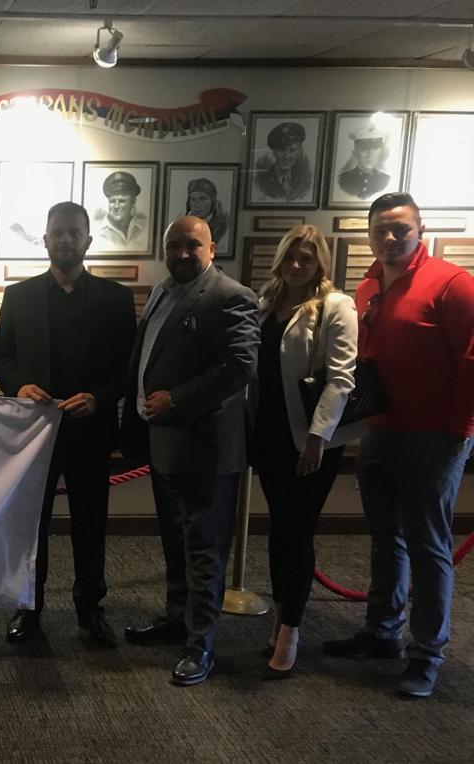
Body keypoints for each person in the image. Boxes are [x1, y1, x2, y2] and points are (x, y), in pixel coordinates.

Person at [323, 193, 474, 698]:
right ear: (368, 234)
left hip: (435, 436)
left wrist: (461, 430)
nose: (390, 238)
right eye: (381, 230)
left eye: (400, 229)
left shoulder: (453, 284)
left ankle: (427, 654)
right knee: (386, 538)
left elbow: (472, 359)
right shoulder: (367, 286)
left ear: (420, 230)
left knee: (429, 546)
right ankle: (382, 632)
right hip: (379, 431)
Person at [120, 215, 259, 687]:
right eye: (174, 245)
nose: (181, 253)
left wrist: (178, 399)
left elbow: (240, 365)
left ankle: (201, 646)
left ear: (211, 248)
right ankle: (177, 619)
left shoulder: (230, 296)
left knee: (204, 551)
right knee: (176, 545)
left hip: (206, 451)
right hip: (165, 445)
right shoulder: (163, 291)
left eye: (192, 245)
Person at [0, 201, 136, 646]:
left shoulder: (116, 299)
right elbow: (2, 357)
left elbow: (127, 367)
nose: (66, 240)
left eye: (75, 233)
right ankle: (28, 609)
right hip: (34, 432)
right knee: (30, 524)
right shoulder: (19, 296)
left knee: (90, 524)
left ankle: (90, 608)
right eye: (58, 233)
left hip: (90, 429)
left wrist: (100, 397)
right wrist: (19, 386)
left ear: (88, 240)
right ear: (45, 240)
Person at [250, 224, 364, 679]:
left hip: (311, 440)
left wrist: (318, 437)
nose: (297, 265)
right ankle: (282, 615)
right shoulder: (266, 304)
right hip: (269, 436)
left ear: (321, 264)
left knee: (297, 531)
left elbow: (342, 379)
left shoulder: (337, 305)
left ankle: (291, 631)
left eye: (307, 258)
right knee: (279, 528)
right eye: (291, 256)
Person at [255, 122, 312, 203]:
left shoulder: (304, 179)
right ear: (274, 152)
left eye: (292, 150)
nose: (286, 156)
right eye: (281, 150)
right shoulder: (262, 182)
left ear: (299, 151)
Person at [337, 125, 391, 199]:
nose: (370, 155)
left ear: (379, 153)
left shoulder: (385, 180)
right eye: (364, 149)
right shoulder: (344, 181)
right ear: (355, 153)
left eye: (375, 149)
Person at [96, 171, 146, 248]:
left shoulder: (143, 227)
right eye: (112, 201)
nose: (116, 206)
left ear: (133, 202)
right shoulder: (98, 231)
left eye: (122, 201)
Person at [185, 178, 228, 248]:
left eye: (202, 199)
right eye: (193, 199)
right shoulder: (182, 224)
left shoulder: (220, 227)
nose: (197, 204)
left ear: (212, 202)